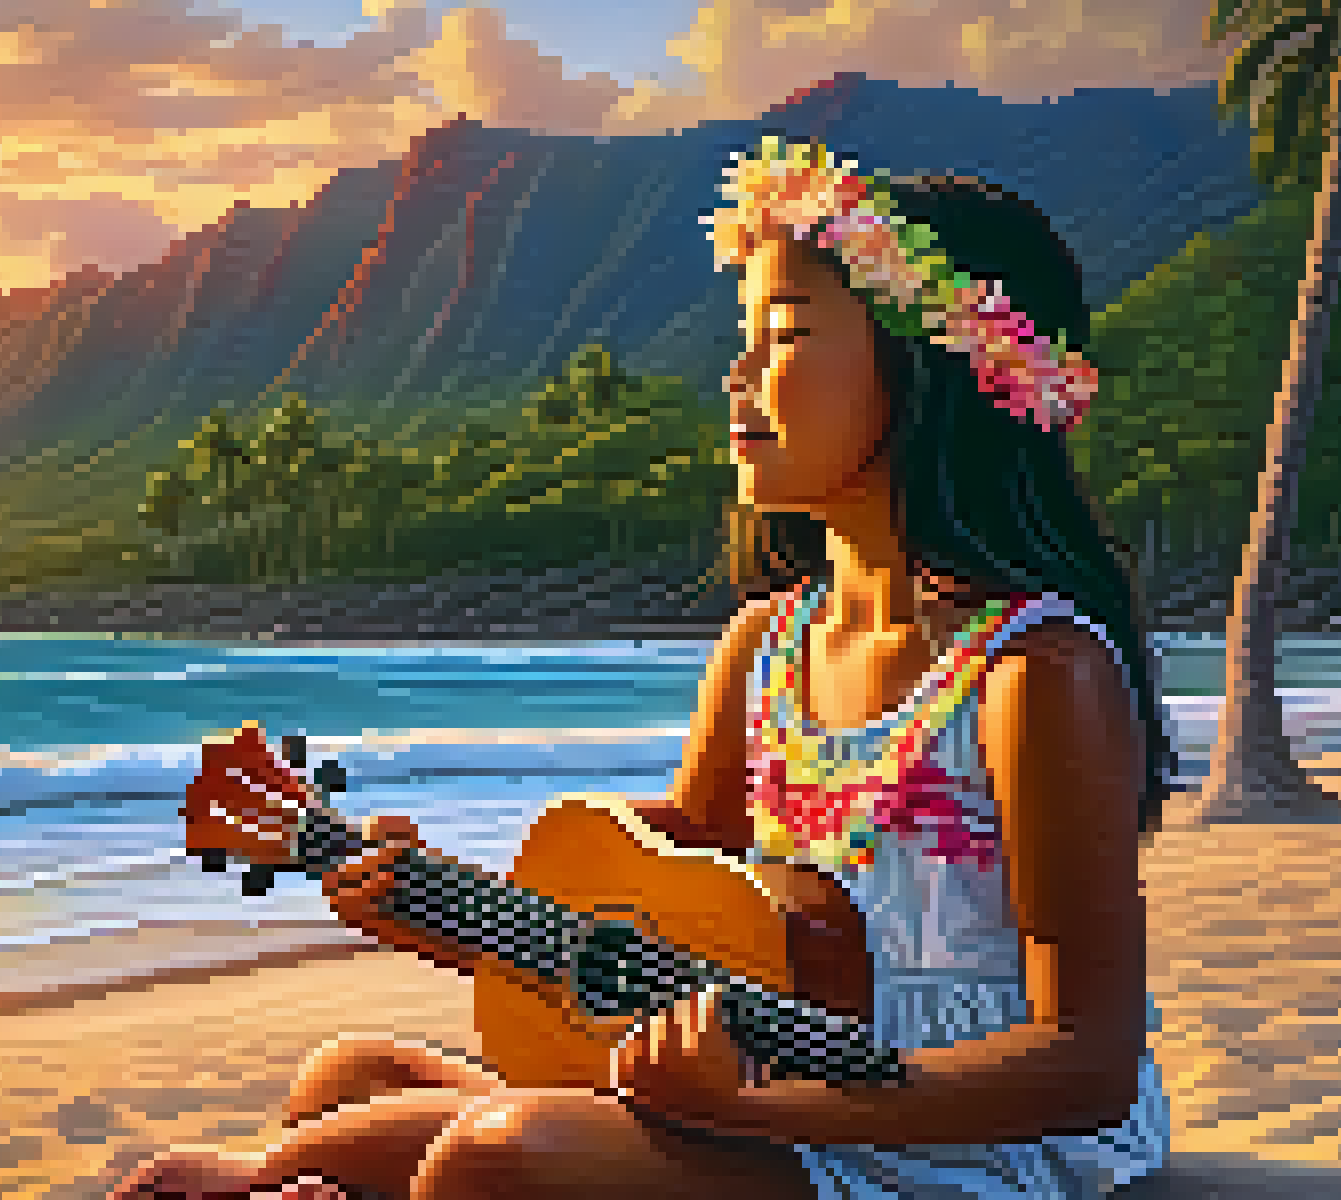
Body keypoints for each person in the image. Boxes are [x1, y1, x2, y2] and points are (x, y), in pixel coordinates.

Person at [107, 135, 1173, 1199]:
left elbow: (1085, 1063)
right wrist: (443, 912)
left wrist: (751, 1109)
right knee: (349, 1078)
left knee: (492, 1156)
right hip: (761, 1092)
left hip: (958, 1136)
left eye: (787, 334)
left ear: (937, 368)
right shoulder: (766, 648)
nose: (739, 375)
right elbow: (689, 906)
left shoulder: (1033, 673)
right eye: (743, 336)